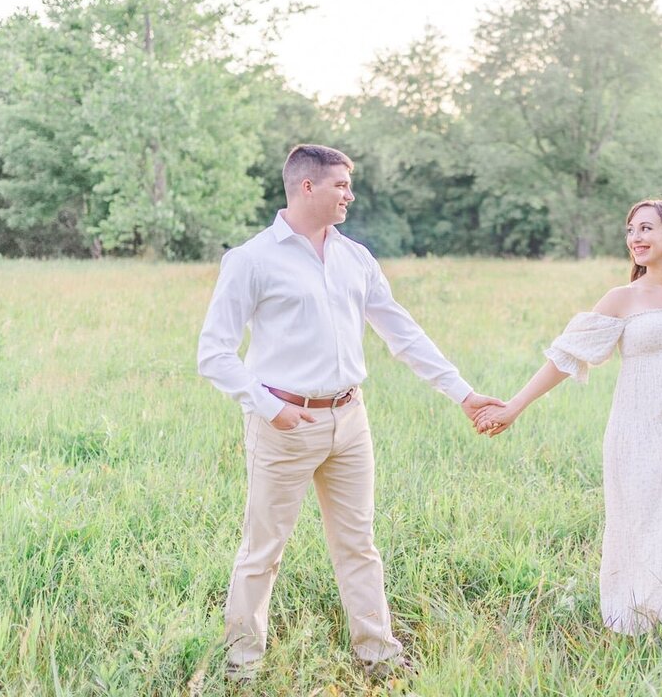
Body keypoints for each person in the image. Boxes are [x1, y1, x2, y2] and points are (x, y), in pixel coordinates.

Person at [197, 144, 502, 680]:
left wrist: (464, 393)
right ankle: (242, 664)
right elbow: (214, 353)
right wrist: (270, 408)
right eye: (341, 184)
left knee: (359, 544)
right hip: (284, 425)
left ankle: (379, 654)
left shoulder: (355, 257)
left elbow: (402, 333)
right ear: (307, 187)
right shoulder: (251, 259)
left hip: (350, 421)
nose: (350, 194)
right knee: (263, 549)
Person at [474, 199, 662, 635]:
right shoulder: (623, 299)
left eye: (646, 229)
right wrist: (514, 406)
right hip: (642, 433)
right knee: (657, 523)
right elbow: (566, 357)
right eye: (630, 230)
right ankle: (652, 620)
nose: (636, 238)